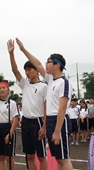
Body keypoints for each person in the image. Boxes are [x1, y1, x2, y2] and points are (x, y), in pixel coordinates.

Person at [16, 38, 73, 170]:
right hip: (51, 121)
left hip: (60, 121)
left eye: (49, 62)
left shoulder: (63, 82)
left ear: (57, 65)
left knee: (63, 159)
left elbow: (62, 109)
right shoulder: (50, 79)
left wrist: (57, 131)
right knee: (59, 159)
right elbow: (37, 63)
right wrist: (23, 49)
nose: (45, 65)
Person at [8, 39, 47, 170]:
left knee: (41, 156)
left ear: (37, 70)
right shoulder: (25, 84)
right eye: (25, 70)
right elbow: (15, 70)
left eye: (30, 69)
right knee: (29, 155)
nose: (27, 72)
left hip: (38, 121)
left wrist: (45, 126)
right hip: (25, 122)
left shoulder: (44, 86)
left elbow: (46, 108)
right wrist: (11, 54)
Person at [0, 73, 19, 170]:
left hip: (7, 128)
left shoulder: (12, 103)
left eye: (4, 88)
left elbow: (15, 118)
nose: (1, 89)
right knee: (0, 156)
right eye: (0, 88)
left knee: (8, 157)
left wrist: (10, 133)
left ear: (8, 89)